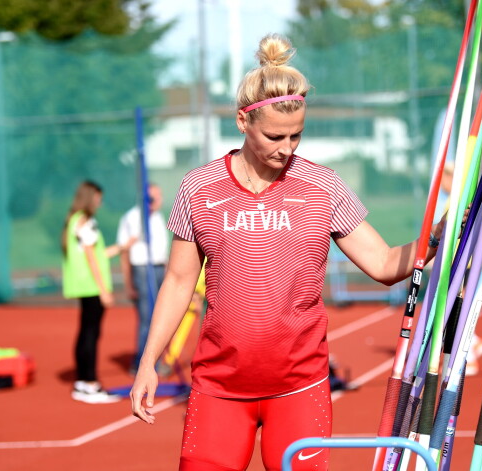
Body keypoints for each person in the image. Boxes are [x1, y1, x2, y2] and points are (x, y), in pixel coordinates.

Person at [130, 34, 446, 470]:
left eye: (297, 136)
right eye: (275, 136)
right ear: (244, 121)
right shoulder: (198, 188)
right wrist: (149, 362)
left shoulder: (323, 186)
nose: (287, 149)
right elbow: (180, 281)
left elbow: (385, 264)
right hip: (219, 387)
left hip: (300, 387)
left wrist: (441, 236)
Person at [62, 180, 129, 404]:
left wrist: (121, 247)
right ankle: (89, 383)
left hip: (83, 285)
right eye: (98, 198)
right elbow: (92, 258)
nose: (99, 202)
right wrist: (103, 290)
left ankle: (83, 381)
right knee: (91, 334)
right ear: (90, 197)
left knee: (86, 332)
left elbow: (97, 254)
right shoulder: (85, 221)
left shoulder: (73, 221)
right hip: (90, 286)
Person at [117, 183, 170, 376]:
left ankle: (154, 359)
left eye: (158, 196)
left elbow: (161, 250)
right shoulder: (133, 217)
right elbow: (124, 251)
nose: (156, 201)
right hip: (141, 269)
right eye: (152, 197)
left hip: (158, 268)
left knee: (161, 315)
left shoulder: (158, 216)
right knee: (147, 318)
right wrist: (128, 283)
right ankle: (143, 364)